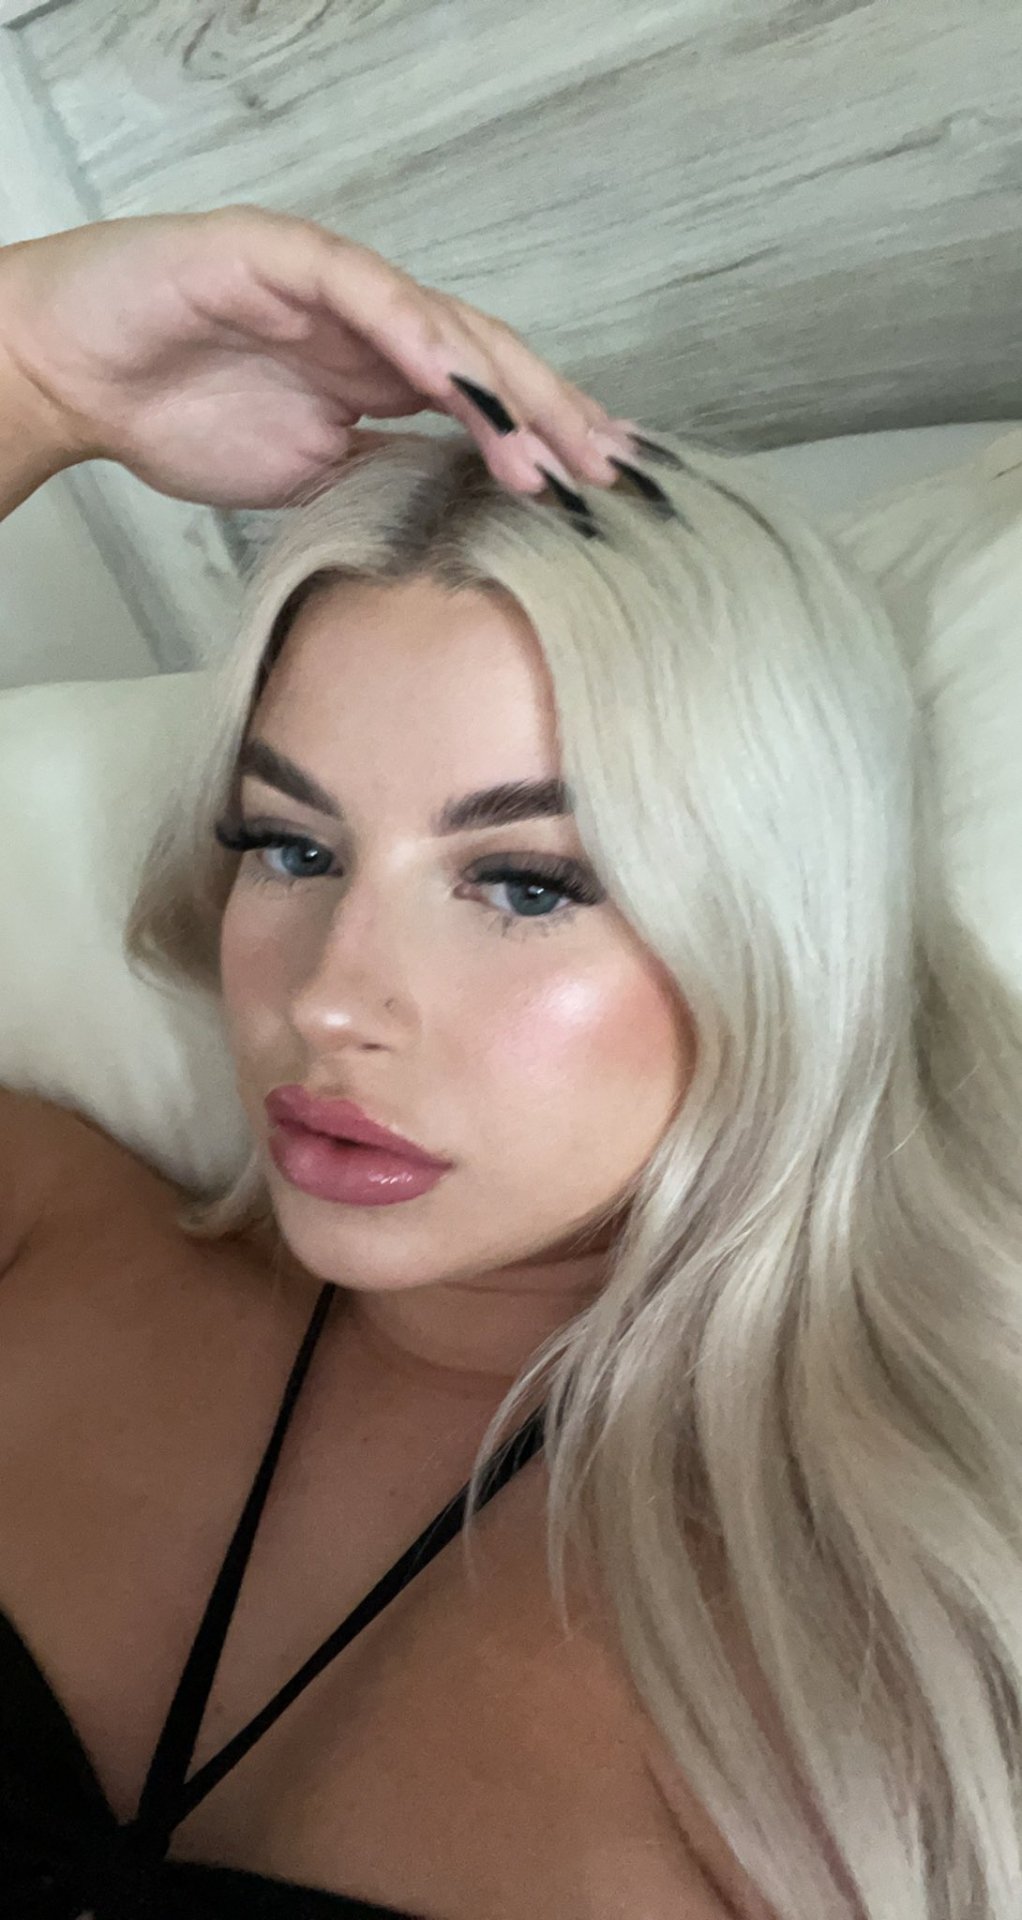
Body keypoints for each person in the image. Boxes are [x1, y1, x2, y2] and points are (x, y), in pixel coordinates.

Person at [1, 205, 1021, 1920]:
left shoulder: (896, 1655)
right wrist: (27, 373)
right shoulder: (43, 1235)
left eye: (527, 883)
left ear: (780, 933)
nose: (334, 1000)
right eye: (291, 847)